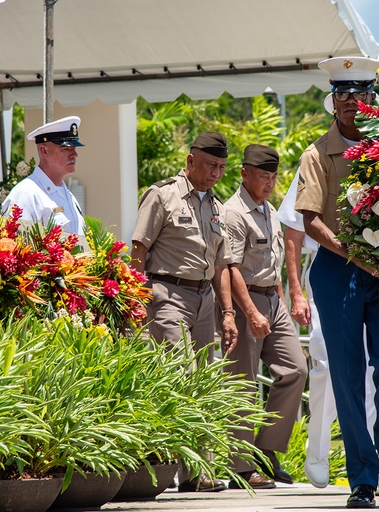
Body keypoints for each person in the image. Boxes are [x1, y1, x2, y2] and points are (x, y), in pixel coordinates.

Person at [295, 56, 379, 509]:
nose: (351, 103)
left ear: (373, 99)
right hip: (338, 269)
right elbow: (310, 220)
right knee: (344, 372)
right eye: (342, 95)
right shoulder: (317, 153)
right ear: (332, 101)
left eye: (360, 94)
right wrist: (354, 252)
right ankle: (361, 476)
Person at [130, 131, 237, 493]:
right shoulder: (163, 195)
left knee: (203, 383)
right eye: (210, 165)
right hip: (167, 295)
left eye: (221, 167)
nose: (216, 173)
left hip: (204, 300)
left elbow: (222, 265)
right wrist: (134, 299)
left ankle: (197, 473)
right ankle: (183, 468)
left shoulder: (217, 206)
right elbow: (138, 250)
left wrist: (228, 312)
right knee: (182, 377)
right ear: (190, 161)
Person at [279, 166, 377, 489]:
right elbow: (294, 231)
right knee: (324, 363)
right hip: (330, 268)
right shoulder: (318, 158)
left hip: (374, 271)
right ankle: (317, 450)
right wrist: (295, 290)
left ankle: (368, 454)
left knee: (370, 372)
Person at [223, 144, 309, 490]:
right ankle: (240, 467)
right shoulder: (233, 212)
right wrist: (250, 312)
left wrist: (283, 299)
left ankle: (266, 450)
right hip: (248, 304)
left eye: (273, 176)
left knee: (296, 370)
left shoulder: (269, 210)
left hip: (273, 300)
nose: (270, 182)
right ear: (244, 174)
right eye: (263, 176)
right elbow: (230, 268)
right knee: (242, 383)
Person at [2, 116, 86, 239]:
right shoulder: (26, 194)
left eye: (74, 148)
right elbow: (17, 250)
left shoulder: (68, 195)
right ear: (44, 151)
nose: (74, 154)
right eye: (66, 149)